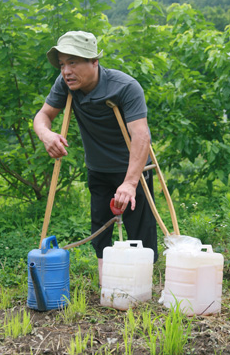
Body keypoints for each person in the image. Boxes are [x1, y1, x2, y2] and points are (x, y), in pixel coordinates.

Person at [33, 31, 158, 285]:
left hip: (132, 169)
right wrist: (46, 135)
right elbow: (42, 116)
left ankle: (143, 286)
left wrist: (130, 183)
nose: (66, 71)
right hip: (98, 168)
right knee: (100, 228)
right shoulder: (65, 85)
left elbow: (141, 136)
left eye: (73, 62)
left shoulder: (125, 87)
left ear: (94, 62)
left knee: (140, 229)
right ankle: (107, 285)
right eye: (62, 64)